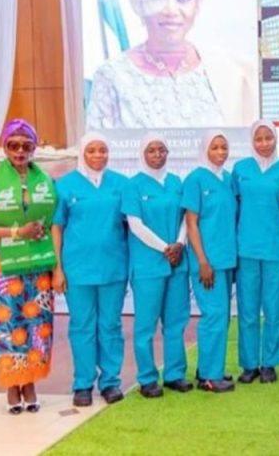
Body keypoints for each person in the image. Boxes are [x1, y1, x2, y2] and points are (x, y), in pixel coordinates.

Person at [86, 0, 256, 129]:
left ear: (197, 4)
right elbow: (97, 144)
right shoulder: (112, 76)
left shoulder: (230, 71)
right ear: (139, 3)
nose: (171, 11)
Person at [0, 119, 56, 414]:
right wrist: (18, 232)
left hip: (38, 267)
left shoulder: (46, 181)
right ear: (4, 147)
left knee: (38, 324)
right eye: (13, 145)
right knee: (8, 324)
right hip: (4, 267)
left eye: (26, 145)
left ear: (34, 147)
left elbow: (55, 222)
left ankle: (29, 382)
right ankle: (11, 383)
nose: (20, 151)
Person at [51, 133, 130, 407]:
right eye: (92, 150)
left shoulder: (121, 184)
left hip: (113, 268)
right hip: (77, 270)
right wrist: (58, 268)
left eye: (103, 150)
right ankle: (83, 383)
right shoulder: (65, 185)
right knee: (82, 325)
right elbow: (57, 228)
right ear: (82, 153)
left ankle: (110, 382)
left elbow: (132, 225)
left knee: (110, 325)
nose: (98, 155)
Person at [122, 134, 192, 398]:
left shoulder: (175, 182)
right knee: (146, 325)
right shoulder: (133, 186)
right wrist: (165, 247)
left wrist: (180, 244)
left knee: (175, 322)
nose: (157, 155)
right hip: (149, 265)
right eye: (151, 150)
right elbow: (135, 225)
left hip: (177, 262)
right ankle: (148, 378)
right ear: (143, 153)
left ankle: (174, 374)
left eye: (162, 150)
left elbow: (186, 217)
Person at [233, 121, 279, 384]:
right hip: (246, 249)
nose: (264, 143)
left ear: (276, 139)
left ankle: (269, 363)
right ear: (252, 141)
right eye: (258, 138)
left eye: (268, 138)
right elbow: (234, 208)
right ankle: (249, 365)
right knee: (248, 310)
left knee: (274, 309)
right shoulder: (240, 169)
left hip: (275, 249)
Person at [182, 130, 238, 393]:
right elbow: (191, 223)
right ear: (205, 149)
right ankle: (210, 376)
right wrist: (203, 261)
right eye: (214, 147)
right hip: (206, 262)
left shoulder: (228, 179)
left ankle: (208, 366)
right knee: (214, 315)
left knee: (222, 317)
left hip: (226, 259)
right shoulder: (195, 179)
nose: (220, 152)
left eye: (224, 147)